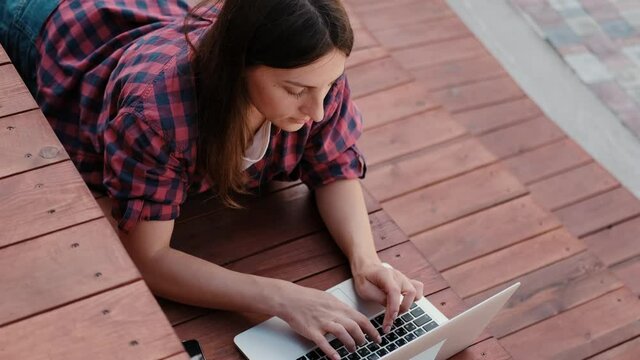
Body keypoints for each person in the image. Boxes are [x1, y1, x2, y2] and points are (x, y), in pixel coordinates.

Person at [0, 0, 424, 358]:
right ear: (238, 66)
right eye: (296, 91)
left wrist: (366, 260)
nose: (316, 109)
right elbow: (148, 257)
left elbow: (335, 167)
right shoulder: (156, 116)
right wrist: (282, 298)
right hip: (52, 21)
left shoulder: (315, 69)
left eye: (328, 86)